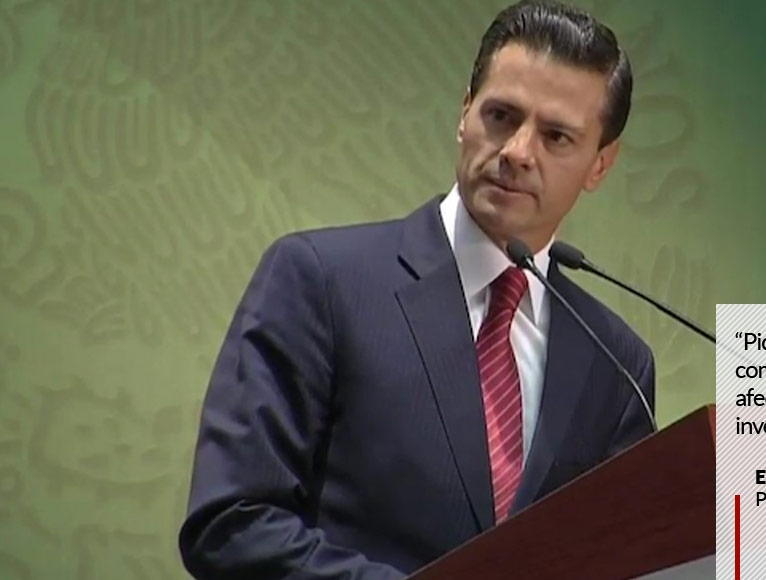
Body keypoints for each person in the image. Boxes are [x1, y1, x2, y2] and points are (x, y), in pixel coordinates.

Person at [178, 1, 655, 578]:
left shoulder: (617, 364)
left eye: (556, 136)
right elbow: (232, 523)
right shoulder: (321, 280)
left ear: (600, 164)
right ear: (464, 113)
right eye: (501, 116)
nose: (517, 152)